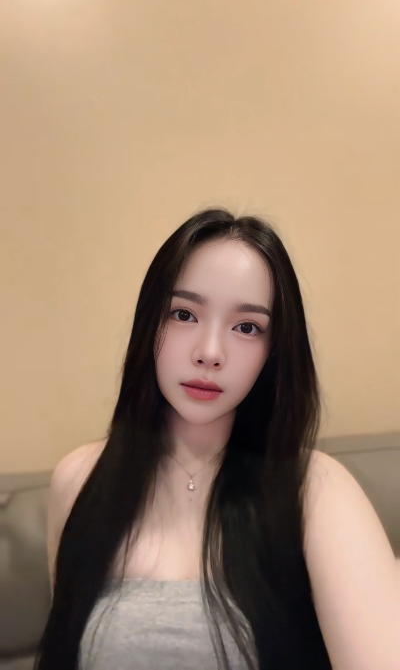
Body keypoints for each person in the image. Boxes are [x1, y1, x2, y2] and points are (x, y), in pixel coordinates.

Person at [33, 208, 398, 670]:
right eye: (184, 314)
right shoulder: (79, 480)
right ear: (149, 324)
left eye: (247, 327)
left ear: (273, 351)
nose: (209, 352)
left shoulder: (316, 490)